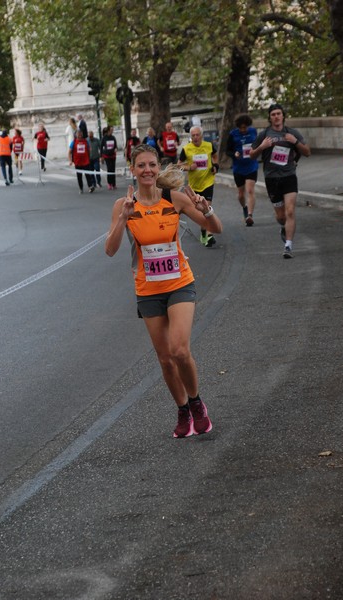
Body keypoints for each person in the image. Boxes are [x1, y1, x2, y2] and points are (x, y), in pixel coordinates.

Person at [105, 144, 222, 438]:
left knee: (180, 350)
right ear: (132, 170)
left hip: (179, 282)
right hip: (148, 289)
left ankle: (196, 403)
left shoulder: (175, 198)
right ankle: (182, 409)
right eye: (141, 166)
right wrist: (123, 218)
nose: (147, 171)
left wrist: (208, 209)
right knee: (165, 359)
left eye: (152, 165)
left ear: (159, 168)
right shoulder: (124, 205)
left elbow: (216, 228)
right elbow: (110, 250)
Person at [250, 103, 311, 258]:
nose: (276, 116)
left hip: (289, 176)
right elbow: (251, 155)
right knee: (281, 216)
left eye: (279, 113)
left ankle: (288, 246)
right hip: (272, 178)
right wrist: (262, 147)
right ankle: (283, 227)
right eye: (273, 114)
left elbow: (307, 152)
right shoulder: (264, 135)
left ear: (283, 116)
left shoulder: (292, 133)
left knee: (290, 211)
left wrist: (295, 142)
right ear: (270, 118)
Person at [178, 126, 220, 247]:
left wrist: (215, 166)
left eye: (197, 135)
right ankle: (203, 231)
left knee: (207, 208)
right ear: (190, 137)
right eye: (193, 135)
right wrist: (189, 168)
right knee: (201, 212)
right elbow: (178, 165)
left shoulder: (209, 145)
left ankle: (209, 234)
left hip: (208, 182)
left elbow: (215, 156)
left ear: (201, 135)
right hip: (195, 185)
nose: (195, 137)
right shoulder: (186, 149)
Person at [226, 114, 258, 226]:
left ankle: (250, 215)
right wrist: (234, 154)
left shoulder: (254, 132)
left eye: (245, 127)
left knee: (250, 190)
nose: (243, 130)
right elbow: (227, 150)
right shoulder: (233, 134)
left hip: (251, 165)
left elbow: (258, 145)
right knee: (240, 194)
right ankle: (244, 207)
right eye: (241, 128)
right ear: (238, 127)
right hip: (238, 168)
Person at [100, 125, 118, 190]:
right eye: (111, 130)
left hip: (113, 155)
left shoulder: (113, 137)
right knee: (109, 169)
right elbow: (101, 147)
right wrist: (101, 156)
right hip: (107, 156)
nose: (112, 131)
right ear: (108, 131)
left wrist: (116, 149)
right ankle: (109, 183)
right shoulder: (104, 138)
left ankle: (114, 184)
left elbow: (115, 145)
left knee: (113, 169)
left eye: (112, 130)